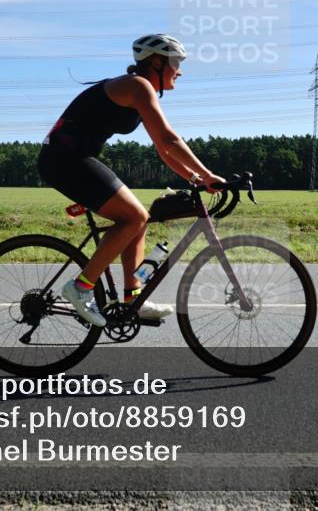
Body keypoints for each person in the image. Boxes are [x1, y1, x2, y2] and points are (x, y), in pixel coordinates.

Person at [37, 34, 226, 327]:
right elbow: (169, 138)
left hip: (72, 158)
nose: (180, 70)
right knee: (134, 217)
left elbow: (163, 148)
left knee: (139, 219)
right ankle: (81, 287)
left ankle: (132, 299)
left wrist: (194, 177)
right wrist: (209, 174)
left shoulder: (139, 88)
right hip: (65, 160)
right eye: (176, 62)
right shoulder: (138, 86)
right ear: (157, 62)